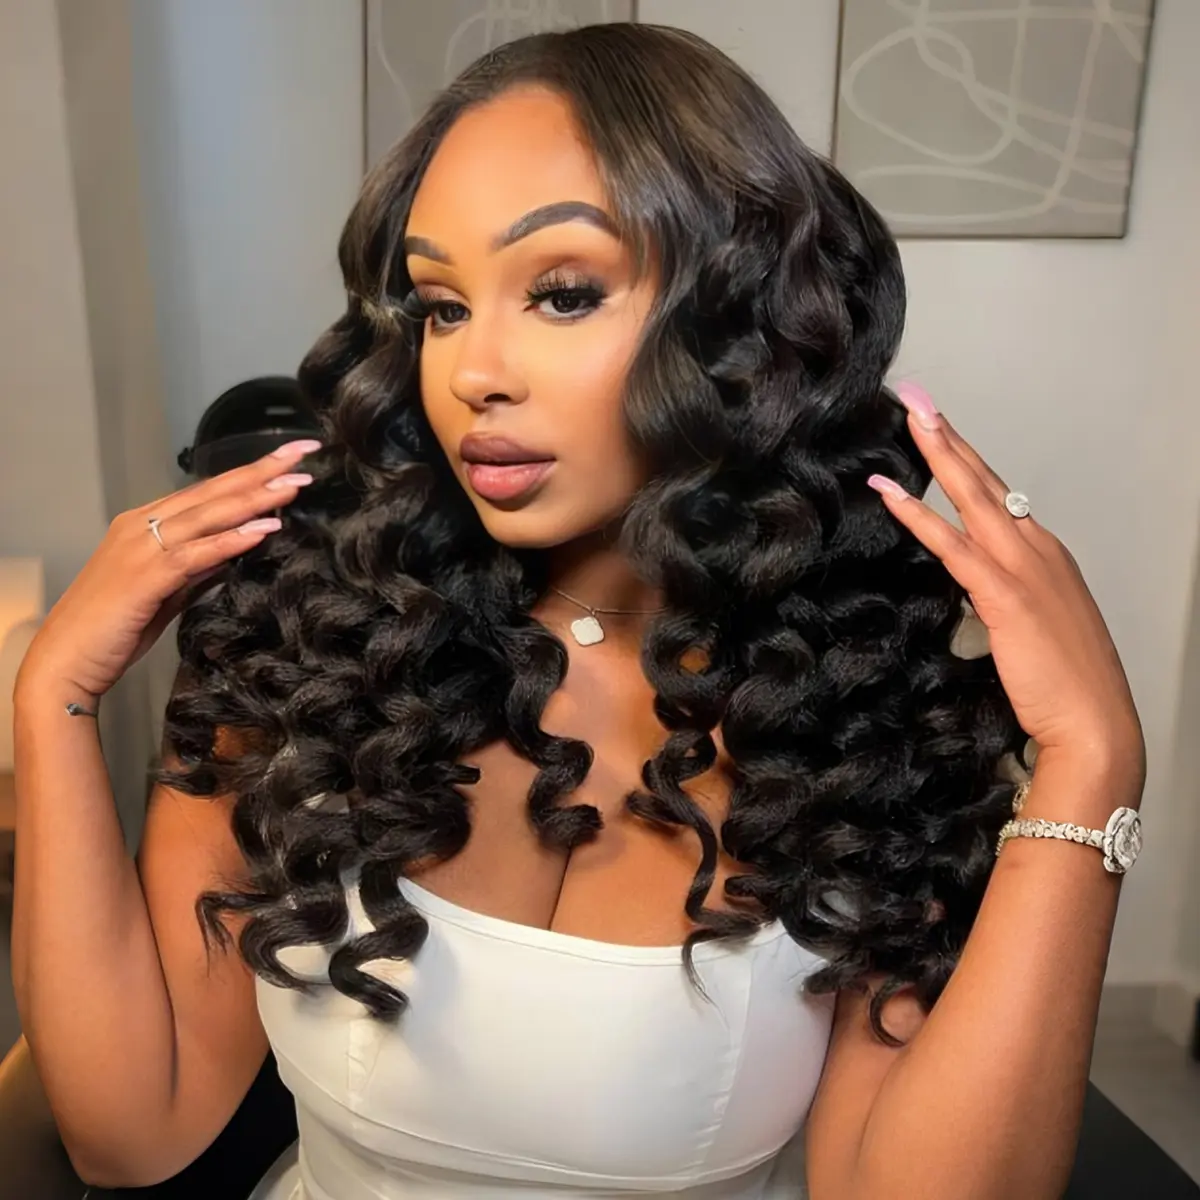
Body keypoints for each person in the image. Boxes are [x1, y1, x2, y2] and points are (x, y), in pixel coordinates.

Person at [10, 23, 1145, 1200]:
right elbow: (130, 1132)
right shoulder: (317, 640)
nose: (472, 374)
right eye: (441, 306)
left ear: (739, 320)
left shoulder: (857, 705)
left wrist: (1094, 762)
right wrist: (53, 698)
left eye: (560, 294)